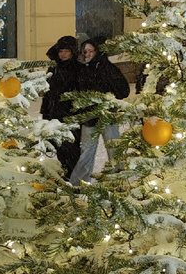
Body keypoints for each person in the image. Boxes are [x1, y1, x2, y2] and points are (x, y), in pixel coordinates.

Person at [69, 38, 130, 184]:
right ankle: (79, 183)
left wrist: (108, 94)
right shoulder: (81, 69)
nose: (88, 54)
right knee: (86, 152)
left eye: (91, 51)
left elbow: (123, 90)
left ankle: (119, 180)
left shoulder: (108, 68)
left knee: (114, 149)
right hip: (89, 118)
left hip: (108, 116)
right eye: (85, 51)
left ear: (98, 51)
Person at [41, 35, 82, 178]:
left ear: (72, 51)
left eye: (66, 51)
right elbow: (48, 91)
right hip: (55, 112)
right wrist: (45, 112)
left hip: (71, 114)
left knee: (71, 147)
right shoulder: (54, 67)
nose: (63, 54)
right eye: (60, 51)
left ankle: (72, 175)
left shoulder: (78, 68)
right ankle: (65, 173)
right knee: (59, 146)